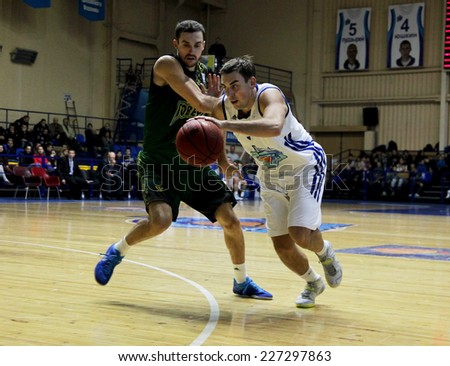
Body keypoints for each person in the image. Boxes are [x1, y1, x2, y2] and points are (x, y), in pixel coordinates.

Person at [94, 20, 271, 300]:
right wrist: (217, 102)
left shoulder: (205, 76)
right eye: (186, 44)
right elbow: (203, 104)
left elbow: (214, 123)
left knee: (231, 221)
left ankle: (241, 281)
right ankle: (116, 252)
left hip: (192, 164)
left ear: (203, 46)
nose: (192, 50)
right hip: (158, 161)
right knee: (161, 220)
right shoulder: (166, 65)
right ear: (176, 44)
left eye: (197, 45)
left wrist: (223, 162)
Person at [192, 55, 343, 308]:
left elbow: (273, 126)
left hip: (303, 165)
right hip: (270, 172)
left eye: (235, 85)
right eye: (226, 87)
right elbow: (214, 130)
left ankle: (324, 252)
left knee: (300, 235)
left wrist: (225, 122)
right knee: (282, 246)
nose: (230, 93)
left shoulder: (269, 96)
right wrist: (224, 163)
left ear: (252, 82)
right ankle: (313, 283)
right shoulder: (225, 106)